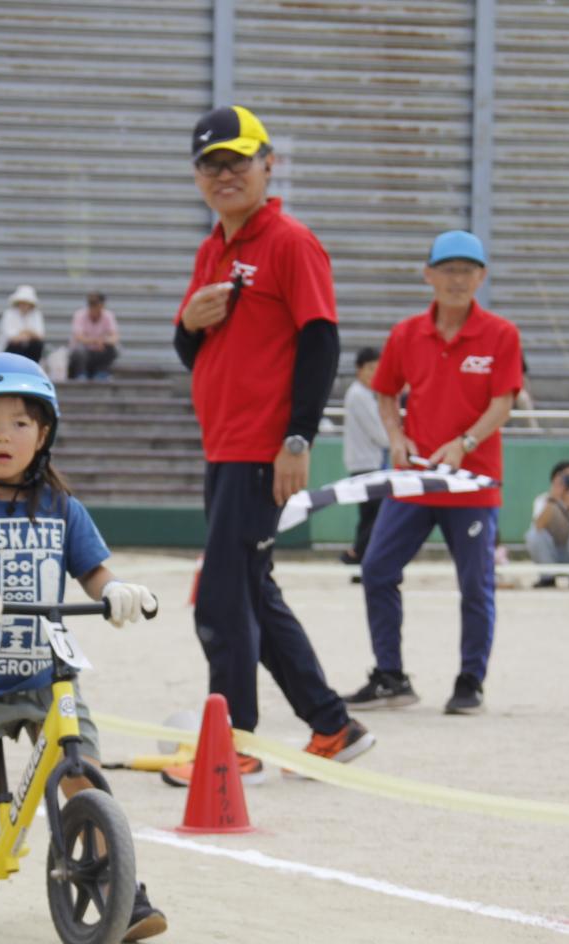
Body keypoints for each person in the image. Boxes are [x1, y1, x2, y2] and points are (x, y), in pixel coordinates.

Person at [0, 352, 168, 941]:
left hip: (49, 676)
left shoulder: (61, 508)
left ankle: (117, 888)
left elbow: (95, 573)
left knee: (87, 779)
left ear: (43, 433)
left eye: (20, 422)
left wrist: (119, 591)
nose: (5, 435)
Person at [172, 105, 372, 779]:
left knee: (222, 598)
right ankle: (331, 724)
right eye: (210, 164)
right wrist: (189, 324)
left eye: (237, 160)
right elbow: (190, 350)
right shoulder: (211, 250)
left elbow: (321, 341)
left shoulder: (290, 242)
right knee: (250, 591)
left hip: (261, 447)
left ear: (267, 163)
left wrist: (297, 437)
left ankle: (234, 739)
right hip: (222, 443)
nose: (224, 174)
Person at [347, 230, 522, 717]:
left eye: (467, 270)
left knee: (475, 585)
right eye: (448, 269)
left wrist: (465, 443)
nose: (457, 280)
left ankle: (470, 681)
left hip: (472, 483)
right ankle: (390, 676)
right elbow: (386, 392)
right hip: (416, 480)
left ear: (481, 277)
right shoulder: (406, 333)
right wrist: (397, 438)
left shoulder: (501, 334)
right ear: (429, 275)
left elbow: (502, 402)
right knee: (377, 568)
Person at [340, 345, 388, 567]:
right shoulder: (359, 395)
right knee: (375, 516)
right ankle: (357, 555)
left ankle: (358, 555)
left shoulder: (365, 394)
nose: (374, 374)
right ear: (359, 369)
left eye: (378, 369)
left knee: (370, 516)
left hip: (368, 462)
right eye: (370, 368)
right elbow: (379, 434)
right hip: (366, 464)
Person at [67, 292, 120, 379]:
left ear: (102, 305)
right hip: (83, 354)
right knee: (79, 350)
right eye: (92, 304)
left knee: (114, 349)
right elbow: (78, 337)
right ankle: (81, 374)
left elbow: (115, 337)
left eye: (96, 304)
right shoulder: (79, 315)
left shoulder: (108, 315)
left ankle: (102, 372)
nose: (94, 307)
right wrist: (96, 341)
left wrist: (104, 341)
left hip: (98, 352)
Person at [0, 285, 46, 362]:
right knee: (17, 346)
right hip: (10, 351)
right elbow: (11, 338)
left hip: (29, 351)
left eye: (26, 303)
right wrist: (28, 333)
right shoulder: (9, 314)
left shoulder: (36, 315)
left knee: (37, 345)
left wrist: (24, 333)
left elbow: (40, 336)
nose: (24, 305)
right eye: (22, 302)